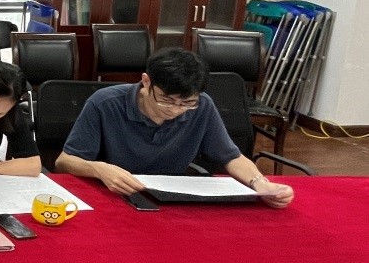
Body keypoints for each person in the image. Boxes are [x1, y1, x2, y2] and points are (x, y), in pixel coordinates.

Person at [55, 48, 293, 208]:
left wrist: (260, 184)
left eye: (187, 103)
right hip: (114, 196)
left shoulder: (202, 106)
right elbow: (65, 162)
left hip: (170, 199)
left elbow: (231, 156)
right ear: (146, 81)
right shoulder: (105, 103)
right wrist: (100, 169)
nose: (175, 110)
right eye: (166, 100)